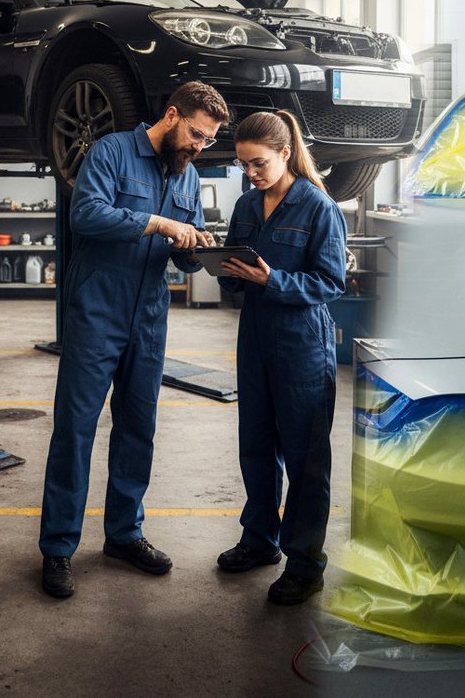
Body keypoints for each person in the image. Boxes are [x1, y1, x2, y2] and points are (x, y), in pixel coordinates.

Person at [37, 81, 226, 599]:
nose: (199, 147)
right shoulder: (111, 152)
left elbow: (184, 248)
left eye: (208, 141)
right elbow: (86, 215)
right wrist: (157, 222)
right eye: (196, 134)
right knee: (76, 428)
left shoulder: (188, 175)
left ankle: (124, 534)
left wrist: (198, 248)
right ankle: (58, 547)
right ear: (172, 115)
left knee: (138, 427)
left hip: (149, 317)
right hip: (97, 311)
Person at [213, 111, 347, 605]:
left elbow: (330, 282)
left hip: (301, 344)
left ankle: (306, 565)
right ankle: (259, 540)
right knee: (255, 445)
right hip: (254, 337)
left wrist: (273, 280)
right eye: (244, 165)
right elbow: (235, 274)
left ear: (285, 153)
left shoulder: (318, 207)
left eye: (259, 163)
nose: (251, 173)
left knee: (305, 459)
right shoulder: (247, 205)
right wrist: (221, 266)